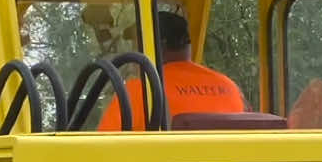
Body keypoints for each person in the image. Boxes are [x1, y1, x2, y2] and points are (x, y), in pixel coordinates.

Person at [99, 9, 246, 131]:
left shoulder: (139, 90)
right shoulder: (230, 87)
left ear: (158, 46)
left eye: (136, 46)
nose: (133, 54)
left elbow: (102, 150)